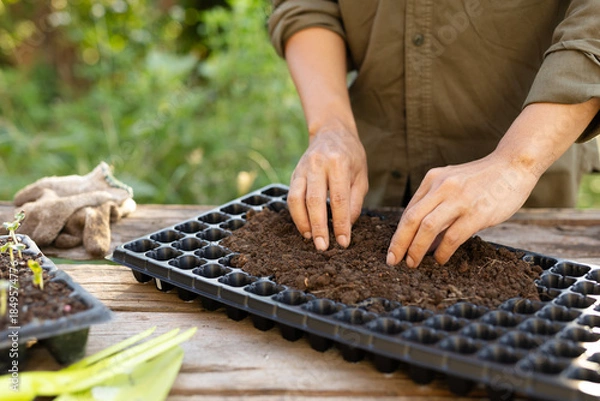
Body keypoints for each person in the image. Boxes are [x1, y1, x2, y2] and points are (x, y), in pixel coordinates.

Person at [267, 0, 600, 268]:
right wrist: (331, 126)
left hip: (524, 201)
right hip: (372, 182)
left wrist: (517, 161)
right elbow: (306, 5)